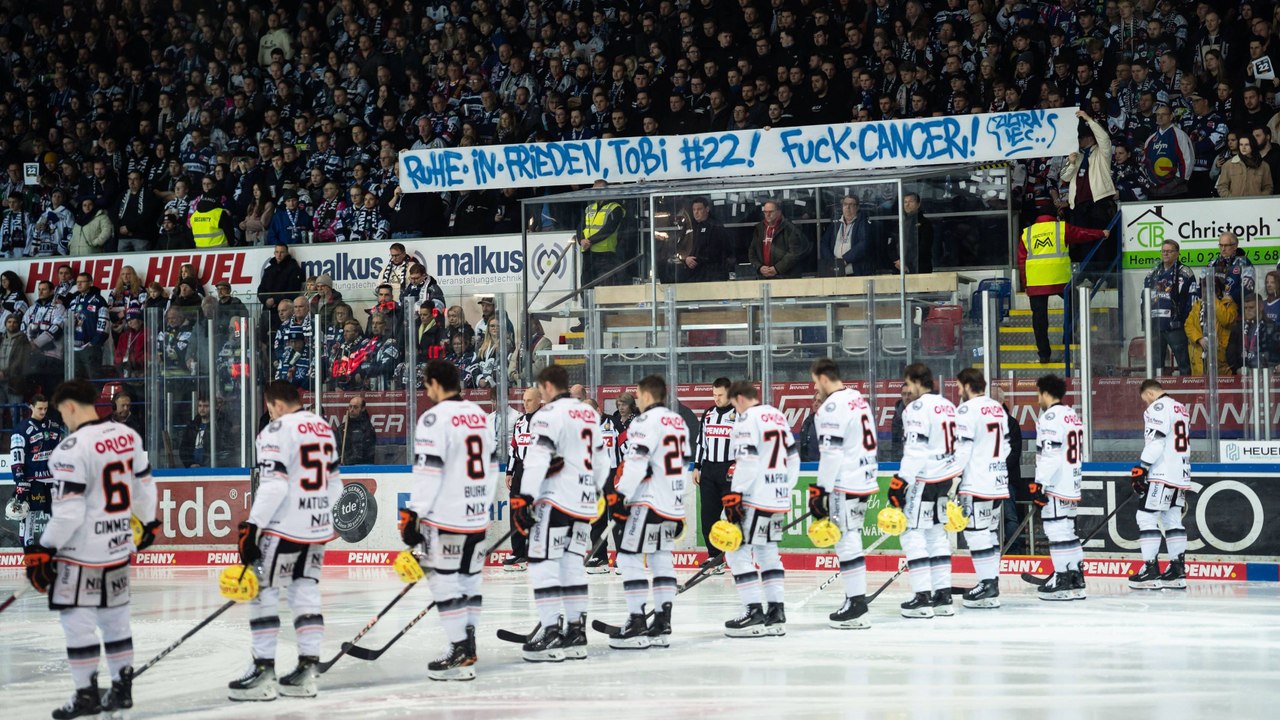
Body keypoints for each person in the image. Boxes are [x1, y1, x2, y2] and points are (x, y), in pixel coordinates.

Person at [24, 379, 156, 718]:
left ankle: (86, 694)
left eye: (61, 413)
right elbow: (144, 488)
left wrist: (43, 548)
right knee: (116, 621)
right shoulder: (127, 436)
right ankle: (122, 690)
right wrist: (146, 526)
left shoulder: (70, 449)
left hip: (81, 552)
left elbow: (69, 512)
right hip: (117, 546)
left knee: (77, 621)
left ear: (69, 407)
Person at [229, 380, 342, 701]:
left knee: (263, 590)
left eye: (269, 408)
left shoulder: (274, 433)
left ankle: (263, 671)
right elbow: (335, 484)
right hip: (317, 525)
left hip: (284, 527)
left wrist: (253, 526)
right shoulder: (322, 427)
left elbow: (275, 486)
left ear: (275, 404)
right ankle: (307, 670)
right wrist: (329, 522)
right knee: (305, 590)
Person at [400, 359, 498, 680]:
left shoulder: (433, 419)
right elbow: (493, 466)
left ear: (435, 383)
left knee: (442, 579)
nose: (426, 391)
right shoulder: (481, 416)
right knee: (469, 580)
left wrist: (415, 513)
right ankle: (467, 646)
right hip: (476, 514)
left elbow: (429, 472)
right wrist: (481, 505)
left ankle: (458, 647)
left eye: (426, 385)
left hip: (446, 516)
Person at [509, 364, 610, 662]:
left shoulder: (548, 415)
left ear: (549, 387)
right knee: (572, 564)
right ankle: (576, 631)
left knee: (542, 563)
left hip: (553, 502)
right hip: (581, 500)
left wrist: (524, 497)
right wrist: (593, 489)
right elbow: (603, 459)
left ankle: (552, 629)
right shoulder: (589, 414)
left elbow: (539, 458)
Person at [605, 374, 688, 649]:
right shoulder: (677, 421)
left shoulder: (644, 421)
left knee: (628, 557)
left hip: (647, 501)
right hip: (671, 501)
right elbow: (682, 463)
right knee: (660, 558)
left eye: (638, 394)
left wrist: (620, 495)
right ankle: (662, 622)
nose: (636, 399)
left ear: (647, 394)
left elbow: (638, 461)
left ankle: (637, 621)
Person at [721, 380, 797, 637]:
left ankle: (753, 610)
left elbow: (748, 460)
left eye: (733, 404)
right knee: (767, 552)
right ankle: (776, 612)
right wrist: (785, 487)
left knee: (736, 551)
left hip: (753, 496)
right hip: (776, 495)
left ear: (739, 398)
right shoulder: (776, 415)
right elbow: (794, 457)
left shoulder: (746, 420)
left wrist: (735, 495)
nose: (734, 410)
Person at [808, 358, 879, 630]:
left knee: (846, 540)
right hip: (863, 477)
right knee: (851, 537)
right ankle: (856, 600)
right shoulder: (857, 398)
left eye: (815, 382)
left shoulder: (831, 407)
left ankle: (857, 605)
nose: (816, 387)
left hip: (844, 481)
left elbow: (831, 453)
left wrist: (820, 492)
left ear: (824, 379)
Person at [888, 363, 962, 619]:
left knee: (912, 534)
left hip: (924, 478)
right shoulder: (948, 405)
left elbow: (916, 450)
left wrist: (900, 480)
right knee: (936, 535)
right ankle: (942, 596)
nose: (907, 389)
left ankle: (922, 597)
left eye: (908, 384)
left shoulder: (916, 408)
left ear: (916, 382)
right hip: (945, 478)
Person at [952, 369, 1011, 609]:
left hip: (976, 481)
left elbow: (963, 449)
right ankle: (991, 582)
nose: (957, 391)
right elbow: (1006, 445)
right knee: (989, 533)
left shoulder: (966, 410)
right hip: (997, 479)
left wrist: (954, 476)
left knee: (976, 533)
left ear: (967, 385)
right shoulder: (997, 407)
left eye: (958, 386)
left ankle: (987, 584)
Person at [1017, 215, 1108, 364]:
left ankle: (1044, 354)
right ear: (1053, 216)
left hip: (1036, 282)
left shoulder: (1027, 232)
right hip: (1059, 280)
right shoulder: (1060, 227)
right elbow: (1081, 234)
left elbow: (1021, 260)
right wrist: (1101, 233)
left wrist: (1026, 284)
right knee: (1075, 301)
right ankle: (1069, 339)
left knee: (1039, 319)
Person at [1128, 379, 1191, 590]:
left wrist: (1142, 467)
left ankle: (1150, 568)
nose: (1145, 404)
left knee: (1145, 517)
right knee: (1173, 519)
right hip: (1180, 472)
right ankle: (1177, 569)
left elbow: (1156, 440)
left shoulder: (1157, 407)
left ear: (1149, 394)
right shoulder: (1180, 407)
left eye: (1144, 399)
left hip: (1162, 472)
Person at [1029, 374, 1087, 601]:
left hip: (1055, 482)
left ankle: (1062, 579)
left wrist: (1039, 483)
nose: (1038, 399)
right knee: (1068, 531)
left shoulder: (1050, 417)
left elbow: (1050, 454)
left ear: (1044, 393)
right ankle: (1075, 577)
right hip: (1071, 481)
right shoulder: (1072, 414)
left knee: (1055, 531)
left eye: (1038, 394)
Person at [8, 395, 63, 547]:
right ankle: (28, 548)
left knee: (58, 515)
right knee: (28, 514)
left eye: (45, 408)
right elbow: (16, 456)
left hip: (52, 479)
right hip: (32, 480)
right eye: (39, 408)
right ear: (30, 407)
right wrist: (20, 480)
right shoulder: (21, 429)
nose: (43, 412)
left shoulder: (55, 426)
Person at [693, 377, 736, 569]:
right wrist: (697, 466)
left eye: (720, 395)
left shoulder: (739, 414)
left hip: (730, 469)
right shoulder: (708, 414)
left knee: (733, 514)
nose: (716, 398)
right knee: (708, 515)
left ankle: (737, 556)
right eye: (714, 394)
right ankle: (714, 555)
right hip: (709, 468)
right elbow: (701, 442)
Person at [1145, 240, 1199, 375]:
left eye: (1169, 251)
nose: (1166, 254)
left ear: (1177, 254)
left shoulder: (1185, 272)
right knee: (1156, 366)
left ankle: (1187, 394)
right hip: (1156, 326)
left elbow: (1192, 300)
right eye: (1163, 251)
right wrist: (1146, 321)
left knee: (1183, 364)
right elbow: (1144, 298)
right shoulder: (1153, 273)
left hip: (1175, 326)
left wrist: (1185, 321)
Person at [504, 386, 542, 571]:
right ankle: (518, 552)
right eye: (524, 400)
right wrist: (509, 472)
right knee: (517, 511)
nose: (525, 404)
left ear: (539, 401)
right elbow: (513, 448)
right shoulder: (519, 422)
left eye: (529, 400)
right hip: (520, 470)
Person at [585, 396, 621, 573]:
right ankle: (600, 557)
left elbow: (626, 447)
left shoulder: (613, 423)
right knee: (597, 518)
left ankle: (623, 556)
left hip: (613, 475)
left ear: (598, 410)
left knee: (617, 517)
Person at [573, 181, 626, 288]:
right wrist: (581, 240)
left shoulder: (615, 208)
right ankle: (586, 304)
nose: (594, 194)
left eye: (596, 191)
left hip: (605, 253)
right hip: (588, 252)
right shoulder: (590, 208)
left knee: (605, 285)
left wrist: (590, 241)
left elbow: (608, 229)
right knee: (586, 285)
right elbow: (580, 227)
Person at [1185, 275, 1238, 376]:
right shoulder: (1197, 305)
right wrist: (1199, 338)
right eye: (1204, 290)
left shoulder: (1228, 304)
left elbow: (1226, 320)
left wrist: (1214, 301)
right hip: (1198, 355)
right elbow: (1188, 325)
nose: (1205, 293)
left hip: (1219, 356)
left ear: (1217, 291)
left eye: (1209, 290)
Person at [1141, 104, 1195, 198]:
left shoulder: (1180, 135)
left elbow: (1187, 161)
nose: (1160, 117)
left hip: (1176, 191)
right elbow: (1145, 163)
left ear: (1171, 116)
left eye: (1164, 114)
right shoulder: (1150, 139)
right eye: (1158, 114)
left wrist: (1175, 183)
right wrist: (1150, 184)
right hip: (1155, 190)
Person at [749, 199, 808, 279]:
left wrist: (777, 269)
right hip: (763, 276)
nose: (767, 215)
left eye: (770, 212)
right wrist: (760, 267)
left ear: (779, 212)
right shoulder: (759, 229)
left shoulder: (790, 228)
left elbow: (794, 253)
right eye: (765, 212)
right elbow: (752, 252)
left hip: (786, 277)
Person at [819, 195, 877, 276]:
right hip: (835, 272)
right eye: (845, 204)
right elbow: (824, 243)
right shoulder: (836, 223)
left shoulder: (863, 223)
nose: (847, 207)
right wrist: (832, 261)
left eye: (851, 204)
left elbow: (864, 244)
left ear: (857, 207)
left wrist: (845, 260)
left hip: (854, 272)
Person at [67, 273, 110, 380]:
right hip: (74, 349)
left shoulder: (99, 300)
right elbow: (67, 323)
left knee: (94, 381)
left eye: (82, 282)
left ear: (90, 283)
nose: (79, 284)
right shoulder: (73, 301)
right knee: (76, 384)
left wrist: (93, 344)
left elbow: (104, 325)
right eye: (77, 282)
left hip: (90, 348)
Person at [1210, 231, 1254, 306]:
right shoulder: (1213, 263)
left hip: (1237, 310)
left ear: (1235, 246)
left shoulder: (1244, 263)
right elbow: (1202, 285)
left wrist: (1231, 297)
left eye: (1226, 245)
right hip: (1215, 310)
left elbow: (1248, 287)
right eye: (1221, 245)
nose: (1223, 249)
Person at [335, 395, 376, 465]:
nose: (351, 410)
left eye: (355, 407)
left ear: (363, 408)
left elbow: (365, 454)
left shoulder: (368, 429)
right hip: (344, 468)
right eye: (350, 407)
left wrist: (347, 461)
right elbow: (337, 449)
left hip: (363, 469)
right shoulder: (342, 428)